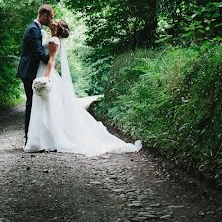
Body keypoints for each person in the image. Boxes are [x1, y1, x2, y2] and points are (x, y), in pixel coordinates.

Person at [23, 17, 141, 155]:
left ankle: (48, 140)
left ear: (58, 28)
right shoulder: (52, 38)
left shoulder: (54, 40)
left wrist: (46, 78)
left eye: (56, 21)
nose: (52, 21)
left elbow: (50, 61)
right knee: (48, 108)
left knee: (49, 107)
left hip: (47, 74)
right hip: (44, 72)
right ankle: (45, 139)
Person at [17, 4, 53, 144]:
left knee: (34, 103)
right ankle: (29, 137)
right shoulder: (33, 29)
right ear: (44, 15)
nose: (50, 20)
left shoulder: (36, 29)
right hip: (29, 71)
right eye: (50, 17)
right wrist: (51, 62)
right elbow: (38, 52)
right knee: (31, 103)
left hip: (32, 70)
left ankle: (34, 136)